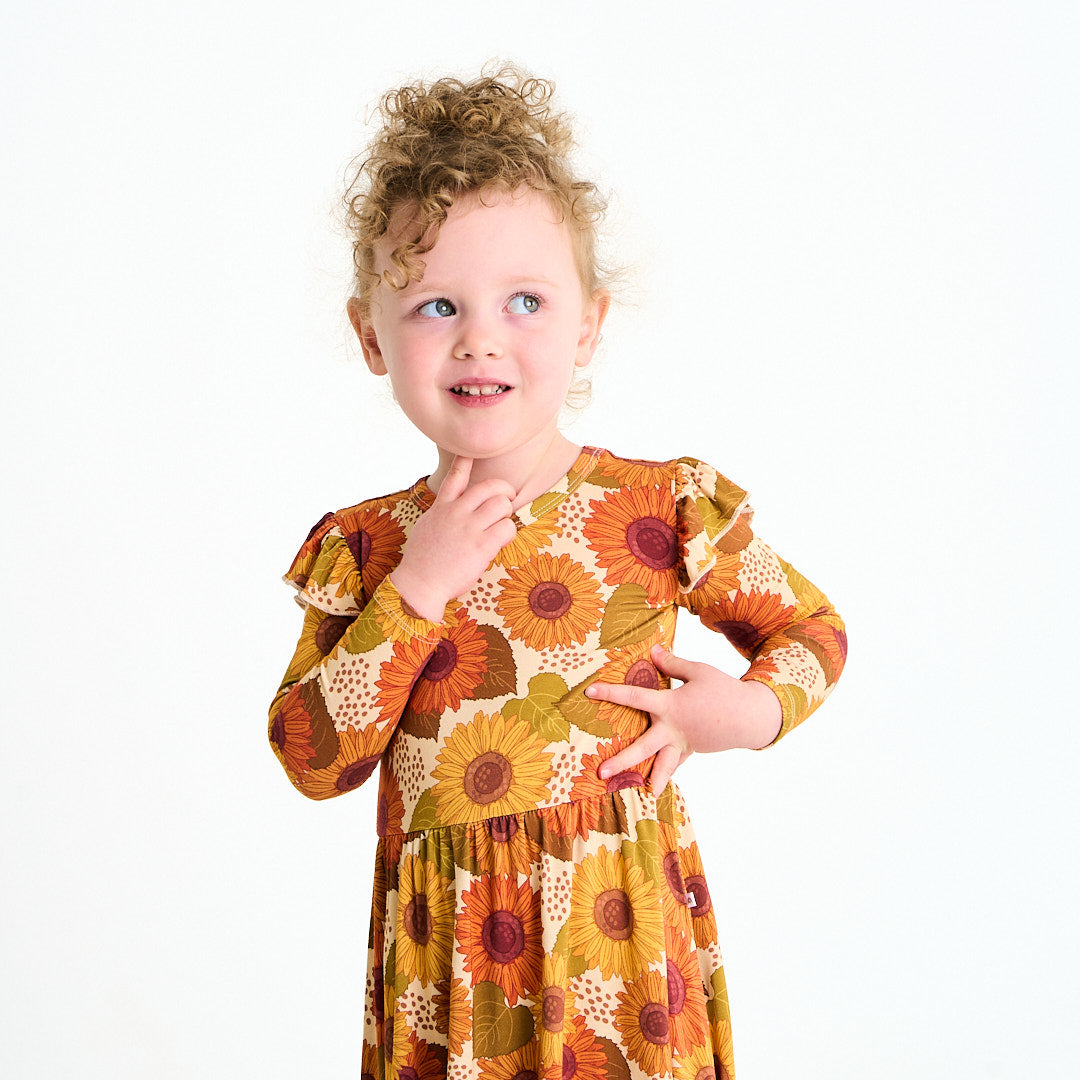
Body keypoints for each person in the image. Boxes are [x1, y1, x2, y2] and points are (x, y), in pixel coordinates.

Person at [268, 67, 846, 1080]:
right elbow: (315, 756)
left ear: (587, 324)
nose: (480, 337)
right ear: (372, 335)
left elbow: (811, 634)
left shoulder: (657, 510)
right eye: (436, 305)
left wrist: (741, 716)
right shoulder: (365, 550)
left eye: (524, 301)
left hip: (620, 963)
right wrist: (416, 591)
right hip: (452, 983)